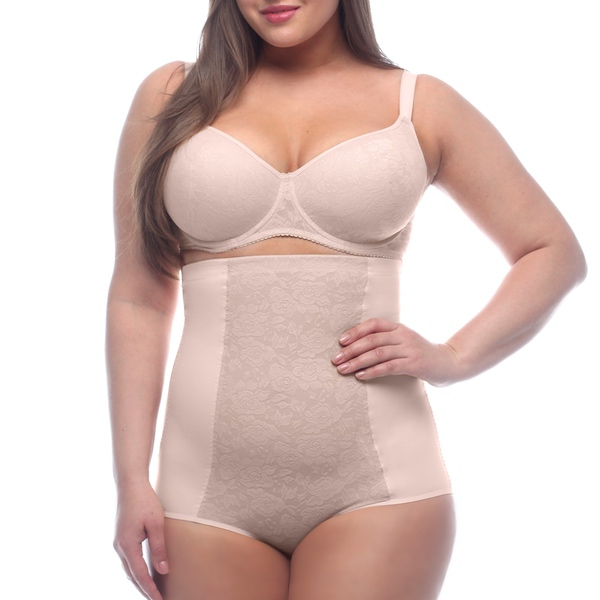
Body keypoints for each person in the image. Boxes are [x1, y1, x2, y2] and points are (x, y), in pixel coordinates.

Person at [106, 1, 586, 599]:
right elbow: (140, 297)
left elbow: (552, 252)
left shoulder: (419, 105)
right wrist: (130, 480)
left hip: (378, 489)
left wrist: (455, 356)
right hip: (202, 496)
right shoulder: (171, 97)